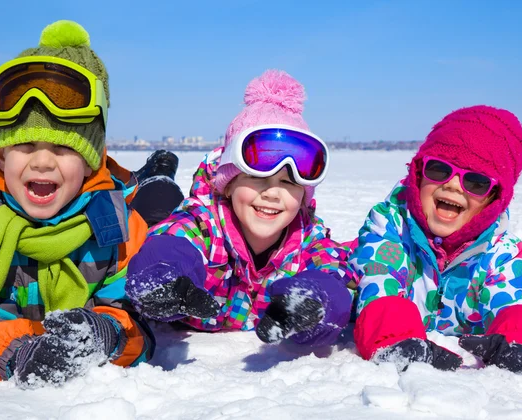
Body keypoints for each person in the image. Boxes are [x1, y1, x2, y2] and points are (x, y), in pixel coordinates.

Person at [0, 20, 181, 388]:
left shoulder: (118, 227)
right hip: (9, 344)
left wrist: (106, 333)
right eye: (24, 147)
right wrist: (15, 351)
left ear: (89, 162)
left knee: (155, 209)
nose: (41, 162)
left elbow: (136, 319)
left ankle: (156, 175)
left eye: (63, 148)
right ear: (1, 157)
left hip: (122, 204)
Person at [125, 69, 355, 347]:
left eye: (287, 183)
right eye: (258, 178)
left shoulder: (309, 240)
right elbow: (173, 244)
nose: (272, 193)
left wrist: (314, 303)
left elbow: (330, 276)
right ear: (229, 185)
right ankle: (158, 173)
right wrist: (162, 278)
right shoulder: (202, 225)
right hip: (158, 213)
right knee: (155, 207)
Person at [349, 105, 522, 378]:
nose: (452, 185)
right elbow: (380, 280)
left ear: (494, 199)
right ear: (418, 174)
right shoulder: (390, 226)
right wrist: (396, 339)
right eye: (439, 169)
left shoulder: (502, 252)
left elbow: (516, 302)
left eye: (475, 182)